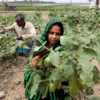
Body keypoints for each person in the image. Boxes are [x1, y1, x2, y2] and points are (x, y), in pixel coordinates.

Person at [24, 20, 69, 100]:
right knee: (39, 86)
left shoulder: (62, 47)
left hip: (55, 74)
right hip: (38, 72)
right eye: (51, 33)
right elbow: (32, 62)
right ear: (47, 32)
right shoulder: (39, 43)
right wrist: (43, 65)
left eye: (57, 34)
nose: (54, 37)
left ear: (61, 35)